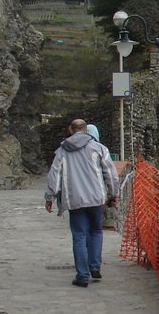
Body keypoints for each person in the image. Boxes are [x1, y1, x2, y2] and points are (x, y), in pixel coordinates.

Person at [44, 118, 119, 287]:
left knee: (79, 235)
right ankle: (95, 266)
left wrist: (50, 197)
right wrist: (113, 194)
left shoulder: (62, 151)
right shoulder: (99, 148)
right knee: (96, 232)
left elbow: (54, 176)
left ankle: (82, 275)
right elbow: (111, 173)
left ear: (71, 130)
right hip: (96, 199)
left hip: (74, 200)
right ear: (86, 130)